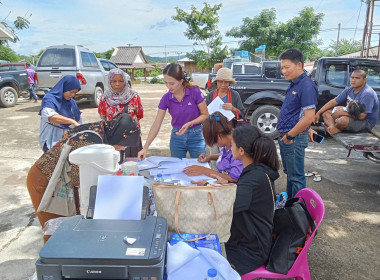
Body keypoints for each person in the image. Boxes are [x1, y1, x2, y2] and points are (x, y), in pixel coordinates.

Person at [26, 113, 140, 243]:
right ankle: (51, 260)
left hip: (61, 180)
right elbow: (78, 179)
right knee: (55, 230)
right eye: (124, 144)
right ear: (119, 136)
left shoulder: (101, 130)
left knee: (70, 228)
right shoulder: (90, 142)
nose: (124, 148)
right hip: (44, 180)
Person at [211, 125, 280, 275]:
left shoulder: (253, 179)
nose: (231, 146)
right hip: (250, 238)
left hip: (250, 250)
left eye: (233, 144)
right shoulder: (257, 170)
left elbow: (225, 208)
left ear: (241, 151)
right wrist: (229, 184)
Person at [138, 63, 209, 159]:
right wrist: (145, 148)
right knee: (176, 168)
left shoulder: (194, 92)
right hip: (177, 137)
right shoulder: (166, 98)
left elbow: (205, 115)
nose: (168, 86)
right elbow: (157, 123)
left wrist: (191, 123)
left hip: (196, 135)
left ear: (181, 81)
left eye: (172, 83)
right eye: (166, 83)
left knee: (199, 166)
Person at [277, 48, 318, 199]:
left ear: (299, 65)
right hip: (288, 137)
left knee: (297, 177)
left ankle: (299, 212)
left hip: (293, 138)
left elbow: (308, 117)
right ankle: (290, 208)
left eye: (287, 67)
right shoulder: (294, 84)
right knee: (291, 175)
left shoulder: (306, 85)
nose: (283, 71)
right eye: (282, 68)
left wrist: (290, 135)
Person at [183, 111, 244, 183]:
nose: (213, 145)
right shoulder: (228, 141)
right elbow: (226, 156)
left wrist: (204, 171)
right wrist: (210, 157)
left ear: (219, 137)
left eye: (213, 142)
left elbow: (233, 179)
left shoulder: (237, 148)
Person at [315, 70, 379, 135]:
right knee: (326, 113)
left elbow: (362, 116)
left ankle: (337, 128)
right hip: (351, 116)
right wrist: (318, 113)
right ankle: (333, 127)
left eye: (357, 78)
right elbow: (334, 101)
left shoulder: (367, 94)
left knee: (342, 120)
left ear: (364, 80)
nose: (353, 80)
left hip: (365, 122)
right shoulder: (350, 89)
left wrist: (343, 113)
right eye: (352, 77)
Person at [98, 68, 143, 158]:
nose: (117, 84)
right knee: (115, 164)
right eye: (114, 81)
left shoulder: (133, 96)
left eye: (120, 81)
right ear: (109, 82)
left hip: (132, 136)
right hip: (113, 137)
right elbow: (103, 116)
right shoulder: (105, 97)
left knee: (133, 164)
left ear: (125, 81)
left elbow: (139, 114)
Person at [39, 75, 82, 152]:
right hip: (52, 139)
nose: (72, 95)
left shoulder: (71, 102)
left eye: (75, 92)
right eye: (71, 92)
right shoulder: (49, 99)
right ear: (64, 88)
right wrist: (72, 122)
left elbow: (77, 119)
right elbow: (51, 117)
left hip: (67, 141)